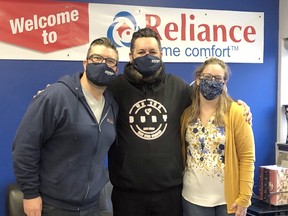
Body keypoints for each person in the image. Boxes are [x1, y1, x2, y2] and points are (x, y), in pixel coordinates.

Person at [107, 27, 252, 216]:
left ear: (161, 54)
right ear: (131, 55)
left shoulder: (178, 87)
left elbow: (209, 101)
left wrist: (240, 107)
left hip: (170, 193)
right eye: (141, 52)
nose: (147, 56)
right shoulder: (115, 89)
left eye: (152, 52)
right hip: (128, 193)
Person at [12, 37, 119, 216]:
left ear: (115, 69)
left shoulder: (112, 106)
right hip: (53, 206)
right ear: (85, 63)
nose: (103, 64)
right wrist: (30, 194)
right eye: (97, 58)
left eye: (110, 61)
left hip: (92, 206)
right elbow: (25, 147)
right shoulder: (56, 96)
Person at [180, 57, 255, 216]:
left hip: (228, 201)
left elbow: (247, 158)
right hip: (192, 198)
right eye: (207, 77)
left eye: (218, 78)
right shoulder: (187, 115)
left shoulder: (237, 112)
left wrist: (245, 197)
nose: (212, 82)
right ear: (198, 79)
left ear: (224, 83)